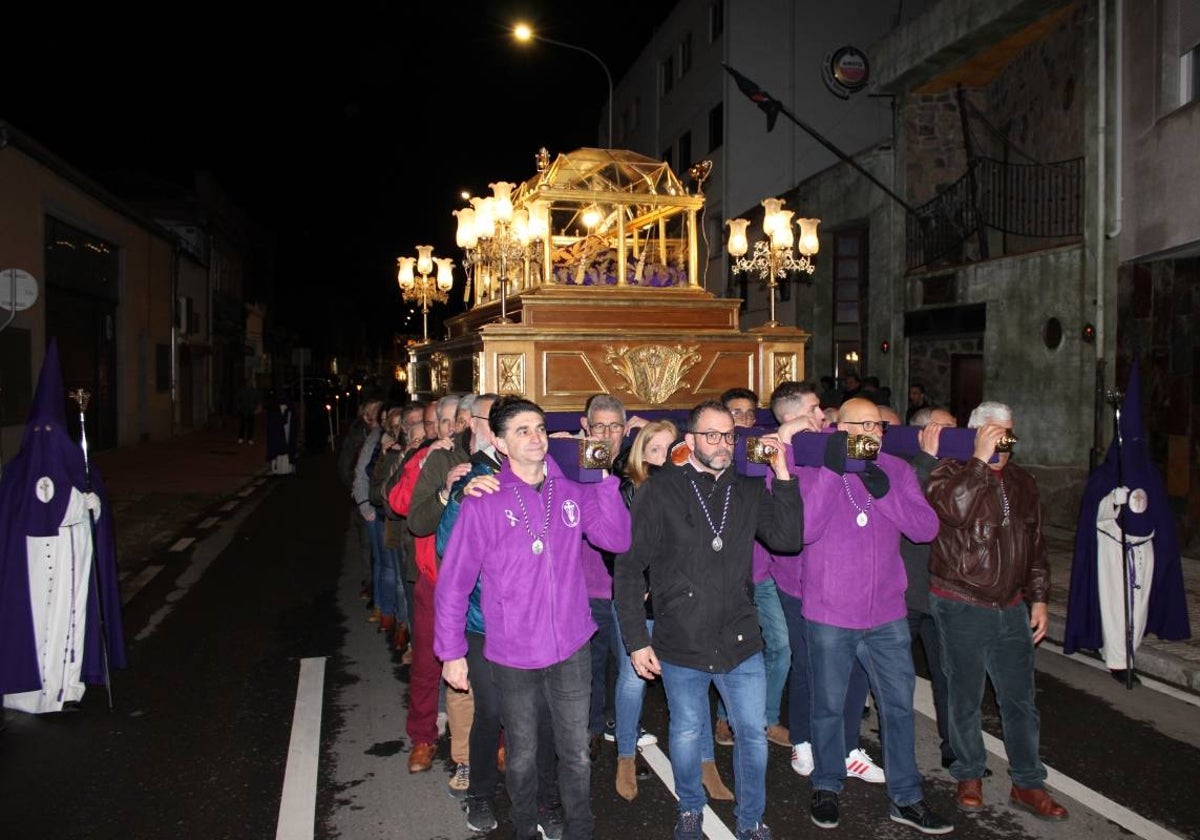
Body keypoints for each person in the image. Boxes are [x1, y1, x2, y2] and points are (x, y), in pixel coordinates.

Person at [436, 396, 632, 840]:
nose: (536, 438)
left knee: (576, 753)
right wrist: (451, 651)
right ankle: (525, 829)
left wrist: (603, 477)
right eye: (522, 430)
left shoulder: (570, 490)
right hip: (512, 651)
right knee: (523, 754)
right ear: (500, 443)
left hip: (571, 646)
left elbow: (617, 540)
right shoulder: (483, 500)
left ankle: (580, 830)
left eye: (540, 428)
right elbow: (454, 583)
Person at [615, 400, 803, 840]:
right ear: (691, 441)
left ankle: (752, 818)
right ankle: (690, 809)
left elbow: (788, 540)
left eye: (729, 436)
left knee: (752, 737)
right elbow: (629, 568)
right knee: (685, 731)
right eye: (712, 435)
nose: (722, 444)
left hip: (739, 638)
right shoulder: (659, 491)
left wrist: (782, 472)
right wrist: (635, 640)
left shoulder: (750, 490)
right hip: (681, 637)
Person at [798, 397, 952, 835]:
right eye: (860, 425)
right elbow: (806, 529)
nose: (870, 432)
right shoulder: (817, 467)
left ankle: (906, 797)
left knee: (898, 707)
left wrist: (880, 486)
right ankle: (827, 785)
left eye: (877, 426)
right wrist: (835, 468)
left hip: (886, 614)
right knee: (828, 706)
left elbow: (925, 529)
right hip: (830, 612)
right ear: (838, 428)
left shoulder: (897, 470)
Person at [926, 401, 1068, 821]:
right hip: (962, 601)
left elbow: (1036, 545)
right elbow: (952, 510)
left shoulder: (1023, 481)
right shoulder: (947, 470)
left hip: (1010, 605)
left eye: (1009, 432)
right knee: (964, 696)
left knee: (1020, 700)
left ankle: (1027, 782)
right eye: (996, 432)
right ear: (976, 433)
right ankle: (968, 773)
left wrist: (1039, 598)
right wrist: (978, 463)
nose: (1005, 440)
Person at [0, 339, 127, 713]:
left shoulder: (82, 470)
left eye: (50, 433)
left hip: (70, 563)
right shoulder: (14, 476)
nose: (44, 440)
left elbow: (95, 524)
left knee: (65, 624)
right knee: (32, 625)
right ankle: (22, 691)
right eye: (37, 432)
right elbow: (17, 518)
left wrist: (94, 509)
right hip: (30, 571)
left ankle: (66, 688)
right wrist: (72, 508)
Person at [610, 419, 732, 803]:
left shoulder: (694, 489)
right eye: (656, 450)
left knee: (700, 678)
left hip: (683, 603)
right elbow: (620, 551)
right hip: (642, 601)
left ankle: (707, 762)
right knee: (633, 680)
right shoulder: (630, 490)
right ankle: (626, 756)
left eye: (672, 449)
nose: (666, 458)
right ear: (641, 457)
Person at [767, 382, 883, 786]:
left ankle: (848, 746)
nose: (824, 415)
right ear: (790, 416)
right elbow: (787, 513)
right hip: (796, 582)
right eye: (815, 409)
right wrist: (785, 440)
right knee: (808, 664)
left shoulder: (832, 444)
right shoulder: (777, 454)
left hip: (839, 580)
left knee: (851, 668)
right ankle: (803, 738)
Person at [1064, 361, 1191, 682]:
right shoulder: (1106, 475)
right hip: (1112, 549)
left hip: (1142, 548)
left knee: (1139, 605)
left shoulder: (1149, 473)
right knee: (1116, 606)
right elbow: (1094, 512)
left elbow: (1159, 514)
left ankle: (1124, 650)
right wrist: (1111, 501)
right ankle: (1119, 662)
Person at [394, 394, 475, 794]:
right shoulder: (432, 458)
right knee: (427, 662)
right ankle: (423, 738)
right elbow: (408, 511)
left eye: (457, 420)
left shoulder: (492, 457)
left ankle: (493, 744)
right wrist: (426, 469)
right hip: (436, 580)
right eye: (443, 421)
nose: (450, 428)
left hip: (478, 588)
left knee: (485, 671)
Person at [714, 385, 792, 756]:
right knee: (726, 648)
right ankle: (725, 716)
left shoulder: (764, 452)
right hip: (727, 577)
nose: (744, 420)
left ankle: (767, 715)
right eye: (736, 413)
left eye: (749, 413)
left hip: (762, 574)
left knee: (780, 646)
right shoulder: (717, 457)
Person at [578, 393, 643, 761]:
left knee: (627, 665)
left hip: (626, 586)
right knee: (590, 664)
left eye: (613, 425)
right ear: (586, 426)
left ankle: (626, 735)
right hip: (586, 584)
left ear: (625, 428)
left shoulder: (638, 463)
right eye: (597, 425)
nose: (605, 433)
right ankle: (590, 727)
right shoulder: (574, 462)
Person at [899, 406, 961, 770]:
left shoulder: (961, 471)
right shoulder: (905, 466)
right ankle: (898, 751)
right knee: (896, 679)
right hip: (906, 593)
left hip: (944, 591)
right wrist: (927, 457)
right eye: (946, 429)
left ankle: (955, 748)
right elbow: (912, 502)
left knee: (948, 674)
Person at [339, 393, 384, 604]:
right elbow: (347, 465)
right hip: (362, 498)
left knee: (378, 548)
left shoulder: (381, 434)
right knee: (367, 545)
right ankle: (369, 584)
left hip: (374, 497)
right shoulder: (358, 435)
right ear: (366, 416)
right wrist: (357, 492)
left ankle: (376, 587)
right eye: (373, 412)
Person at [265, 390, 298, 475]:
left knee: (285, 448)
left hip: (283, 432)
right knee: (282, 448)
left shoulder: (288, 408)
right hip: (279, 433)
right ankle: (279, 468)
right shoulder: (276, 408)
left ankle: (284, 467)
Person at [234, 376, 261, 444]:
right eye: (248, 382)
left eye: (250, 382)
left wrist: (257, 408)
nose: (249, 383)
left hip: (251, 410)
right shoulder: (241, 390)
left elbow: (258, 400)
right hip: (244, 410)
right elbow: (237, 399)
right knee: (242, 425)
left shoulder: (254, 391)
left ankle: (250, 438)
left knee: (251, 425)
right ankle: (241, 437)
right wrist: (239, 407)